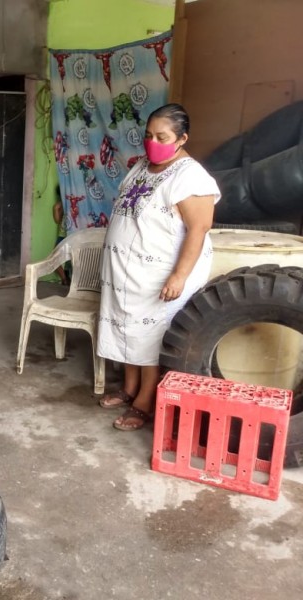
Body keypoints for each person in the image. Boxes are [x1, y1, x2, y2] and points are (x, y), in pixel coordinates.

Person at [97, 103, 221, 431]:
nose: (153, 141)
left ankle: (144, 402)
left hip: (160, 274)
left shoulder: (191, 176)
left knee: (150, 338)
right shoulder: (142, 166)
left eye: (162, 136)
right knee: (126, 329)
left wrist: (179, 276)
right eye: (148, 135)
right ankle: (129, 387)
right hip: (126, 273)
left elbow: (199, 228)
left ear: (182, 139)